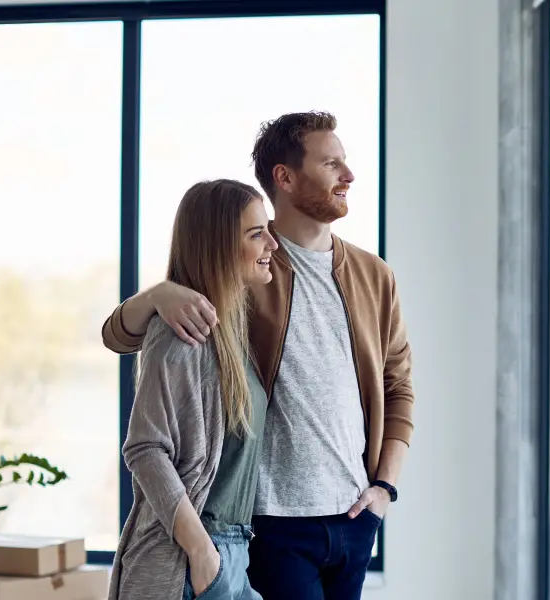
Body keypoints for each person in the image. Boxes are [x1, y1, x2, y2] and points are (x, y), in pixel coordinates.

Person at [100, 111, 414, 600]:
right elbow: (122, 340)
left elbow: (399, 387)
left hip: (355, 517)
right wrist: (156, 296)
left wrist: (383, 490)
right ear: (284, 177)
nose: (348, 176)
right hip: (270, 524)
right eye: (331, 164)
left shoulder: (375, 277)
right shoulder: (247, 267)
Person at [109, 179, 278, 600]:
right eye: (256, 234)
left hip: (232, 553)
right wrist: (202, 551)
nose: (272, 244)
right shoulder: (181, 331)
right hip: (189, 559)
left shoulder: (229, 331)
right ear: (219, 245)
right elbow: (145, 449)